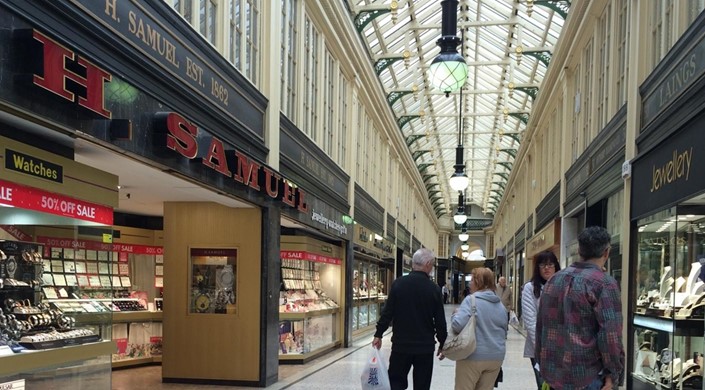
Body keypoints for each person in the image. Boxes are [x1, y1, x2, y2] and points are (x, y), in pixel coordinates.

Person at [536, 226, 625, 390]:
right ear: (606, 252)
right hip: (587, 376)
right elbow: (610, 334)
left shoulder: (553, 280)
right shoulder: (604, 283)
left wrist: (542, 365)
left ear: (579, 250)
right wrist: (613, 374)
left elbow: (541, 326)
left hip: (554, 374)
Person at [372, 248, 447, 390]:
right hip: (424, 347)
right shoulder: (434, 289)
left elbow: (387, 312)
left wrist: (378, 334)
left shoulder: (398, 284)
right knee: (422, 385)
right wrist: (443, 343)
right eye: (432, 264)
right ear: (427, 264)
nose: (432, 268)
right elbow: (440, 322)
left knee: (396, 383)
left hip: (401, 345)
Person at [443, 267, 507, 390]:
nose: (469, 283)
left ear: (479, 282)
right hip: (495, 358)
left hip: (472, 356)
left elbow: (457, 325)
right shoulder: (500, 306)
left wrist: (456, 314)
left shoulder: (471, 300)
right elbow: (503, 330)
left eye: (472, 280)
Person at [521, 250, 561, 389]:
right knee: (544, 385)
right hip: (539, 348)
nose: (546, 268)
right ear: (537, 268)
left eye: (550, 264)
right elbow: (531, 321)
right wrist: (542, 348)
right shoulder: (530, 288)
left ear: (556, 266)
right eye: (543, 265)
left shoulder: (563, 286)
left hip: (562, 347)